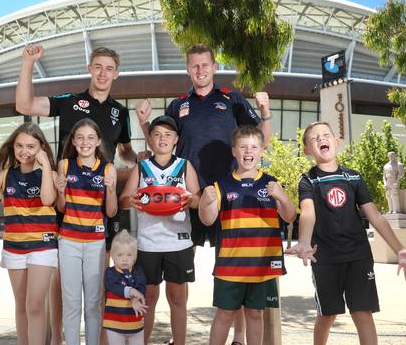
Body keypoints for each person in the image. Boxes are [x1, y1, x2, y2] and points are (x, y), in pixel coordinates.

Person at [136, 44, 273, 343]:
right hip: (189, 197)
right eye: (194, 66)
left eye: (205, 65)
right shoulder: (178, 105)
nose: (200, 70)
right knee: (181, 270)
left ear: (214, 67)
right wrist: (144, 122)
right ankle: (179, 337)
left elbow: (261, 141)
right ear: (188, 69)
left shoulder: (231, 99)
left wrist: (265, 112)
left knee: (233, 269)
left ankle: (238, 338)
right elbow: (160, 140)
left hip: (229, 196)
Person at [16, 44, 138, 344]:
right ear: (89, 68)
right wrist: (28, 64)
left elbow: (125, 151)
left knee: (95, 283)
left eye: (109, 68)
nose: (103, 72)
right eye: (98, 66)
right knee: (63, 280)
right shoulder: (70, 102)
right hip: (66, 196)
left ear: (116, 74)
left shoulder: (120, 112)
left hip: (99, 201)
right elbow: (25, 105)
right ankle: (59, 337)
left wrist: (141, 159)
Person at [288, 121, 406, 345]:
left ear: (336, 142)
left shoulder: (353, 177)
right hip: (326, 257)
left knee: (362, 313)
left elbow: (375, 216)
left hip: (358, 255)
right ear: (307, 150)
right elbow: (308, 212)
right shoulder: (308, 180)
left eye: (325, 135)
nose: (321, 139)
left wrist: (399, 249)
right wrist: (303, 241)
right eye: (315, 138)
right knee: (327, 315)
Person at [198, 125, 295, 345]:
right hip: (230, 265)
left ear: (262, 150)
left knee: (255, 314)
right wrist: (204, 203)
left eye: (253, 147)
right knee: (224, 314)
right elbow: (208, 219)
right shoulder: (221, 186)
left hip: (262, 265)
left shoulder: (271, 184)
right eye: (243, 147)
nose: (248, 151)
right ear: (234, 151)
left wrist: (283, 198)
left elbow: (289, 217)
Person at [0, 122, 59, 345]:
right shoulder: (7, 174)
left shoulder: (50, 173)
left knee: (35, 304)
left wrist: (46, 165)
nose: (24, 151)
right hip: (14, 247)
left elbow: (48, 199)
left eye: (31, 146)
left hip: (43, 246)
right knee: (21, 304)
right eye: (19, 145)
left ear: (41, 148)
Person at [119, 115, 201, 344]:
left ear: (176, 139)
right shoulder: (142, 167)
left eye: (167, 134)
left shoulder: (185, 166)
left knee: (177, 297)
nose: (162, 139)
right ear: (150, 140)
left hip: (179, 241)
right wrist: (132, 201)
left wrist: (190, 199)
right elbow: (124, 199)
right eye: (156, 134)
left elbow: (197, 199)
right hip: (148, 242)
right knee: (148, 296)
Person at [55, 118, 118, 345]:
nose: (85, 142)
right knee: (71, 302)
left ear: (98, 141)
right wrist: (61, 193)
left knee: (93, 302)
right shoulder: (64, 165)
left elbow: (111, 212)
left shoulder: (108, 168)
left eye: (90, 137)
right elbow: (62, 208)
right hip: (69, 241)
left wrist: (111, 191)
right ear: (73, 141)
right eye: (80, 137)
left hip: (96, 243)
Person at [103, 230, 147, 345]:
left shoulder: (138, 271)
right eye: (120, 255)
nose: (124, 259)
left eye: (129, 255)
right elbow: (113, 286)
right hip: (114, 325)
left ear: (135, 257)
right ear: (112, 255)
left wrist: (136, 298)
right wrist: (131, 291)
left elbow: (141, 287)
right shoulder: (110, 273)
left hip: (136, 324)